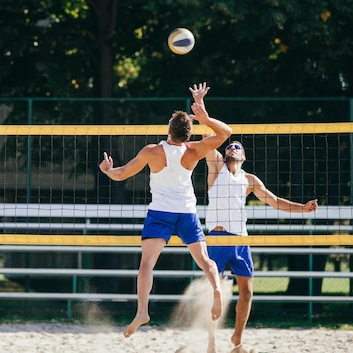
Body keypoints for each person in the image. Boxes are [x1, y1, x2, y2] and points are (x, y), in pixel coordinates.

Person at [99, 82, 232, 338]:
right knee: (205, 260)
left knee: (147, 264)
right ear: (189, 135)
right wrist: (204, 114)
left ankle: (142, 311)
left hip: (160, 213)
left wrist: (107, 170)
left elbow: (121, 174)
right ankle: (216, 289)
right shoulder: (194, 150)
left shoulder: (152, 151)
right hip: (186, 213)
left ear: (168, 130)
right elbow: (226, 132)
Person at [204, 139, 318, 353]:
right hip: (218, 240)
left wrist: (303, 208)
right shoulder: (217, 166)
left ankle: (237, 340)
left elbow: (275, 201)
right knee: (215, 293)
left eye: (237, 148)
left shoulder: (250, 180)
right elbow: (210, 142)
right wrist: (201, 114)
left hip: (240, 240)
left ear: (244, 157)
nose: (233, 149)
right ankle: (211, 343)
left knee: (247, 291)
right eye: (230, 147)